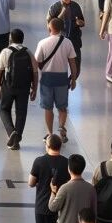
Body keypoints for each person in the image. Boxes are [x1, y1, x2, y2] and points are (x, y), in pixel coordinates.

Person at [35, 16, 79, 145]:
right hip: (62, 79)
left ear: (50, 27)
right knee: (62, 107)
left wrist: (34, 80)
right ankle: (61, 127)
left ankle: (50, 134)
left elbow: (37, 62)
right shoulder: (68, 42)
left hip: (47, 79)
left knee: (48, 108)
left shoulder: (43, 43)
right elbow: (73, 63)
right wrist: (74, 79)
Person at [0, 28, 37, 150]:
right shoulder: (28, 52)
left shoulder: (5, 52)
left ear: (10, 39)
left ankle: (11, 132)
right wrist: (34, 89)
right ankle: (16, 140)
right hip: (24, 87)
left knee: (4, 109)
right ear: (22, 39)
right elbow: (35, 72)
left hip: (8, 86)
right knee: (21, 112)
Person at [30, 134, 71, 223]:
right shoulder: (67, 162)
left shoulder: (39, 161)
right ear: (60, 146)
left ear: (47, 146)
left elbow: (31, 183)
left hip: (42, 207)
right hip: (59, 207)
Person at [49, 153, 96, 223]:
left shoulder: (65, 188)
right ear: (83, 168)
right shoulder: (91, 189)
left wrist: (53, 192)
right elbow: (94, 212)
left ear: (69, 168)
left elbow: (53, 207)